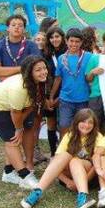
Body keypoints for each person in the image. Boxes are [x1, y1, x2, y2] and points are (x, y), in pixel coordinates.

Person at [20, 108, 104, 208]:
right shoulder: (70, 135)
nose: (86, 125)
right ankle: (37, 191)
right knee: (64, 155)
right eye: (83, 121)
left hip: (89, 176)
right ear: (77, 122)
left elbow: (98, 164)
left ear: (94, 124)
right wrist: (68, 182)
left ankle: (83, 197)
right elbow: (55, 163)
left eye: (90, 122)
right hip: (69, 177)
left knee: (74, 161)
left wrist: (82, 181)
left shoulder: (98, 137)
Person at [0, 55, 47, 189]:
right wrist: (18, 129)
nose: (43, 72)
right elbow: (15, 113)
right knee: (12, 140)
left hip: (19, 107)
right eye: (38, 70)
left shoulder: (39, 81)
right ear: (29, 72)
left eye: (44, 68)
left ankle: (8, 172)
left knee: (18, 136)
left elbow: (30, 105)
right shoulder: (19, 88)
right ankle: (25, 176)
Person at [0, 15, 42, 167]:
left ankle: (29, 164)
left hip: (27, 92)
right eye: (13, 24)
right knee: (12, 132)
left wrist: (7, 71)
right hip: (6, 96)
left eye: (20, 25)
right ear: (8, 28)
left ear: (24, 29)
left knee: (28, 129)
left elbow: (36, 67)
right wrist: (22, 68)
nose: (17, 27)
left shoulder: (31, 46)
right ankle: (11, 167)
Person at [49, 28, 93, 136]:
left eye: (77, 41)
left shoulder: (88, 56)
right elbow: (58, 78)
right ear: (66, 41)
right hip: (66, 99)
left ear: (81, 42)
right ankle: (63, 146)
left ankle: (80, 147)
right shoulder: (62, 58)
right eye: (71, 41)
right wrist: (51, 96)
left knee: (82, 128)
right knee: (64, 126)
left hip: (83, 99)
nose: (74, 44)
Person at [42, 26, 66, 156]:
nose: (54, 39)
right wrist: (47, 98)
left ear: (62, 37)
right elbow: (42, 77)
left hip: (66, 94)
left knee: (64, 125)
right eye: (51, 37)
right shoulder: (45, 54)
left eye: (57, 36)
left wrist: (60, 96)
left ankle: (64, 153)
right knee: (51, 124)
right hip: (49, 95)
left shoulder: (68, 53)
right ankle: (53, 153)